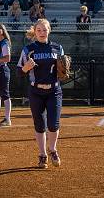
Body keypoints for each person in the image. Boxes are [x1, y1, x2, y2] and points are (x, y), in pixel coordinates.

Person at [17, 19, 63, 169]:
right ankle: (43, 154)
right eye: (39, 30)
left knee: (53, 123)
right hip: (36, 91)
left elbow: (63, 71)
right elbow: (19, 72)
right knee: (39, 124)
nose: (42, 33)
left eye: (45, 30)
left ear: (49, 30)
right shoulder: (28, 49)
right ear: (35, 32)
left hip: (54, 90)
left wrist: (64, 70)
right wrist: (25, 68)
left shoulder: (57, 48)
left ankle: (53, 150)